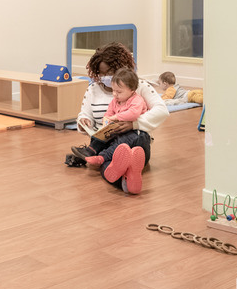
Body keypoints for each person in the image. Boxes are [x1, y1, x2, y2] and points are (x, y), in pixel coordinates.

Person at [69, 42, 168, 194]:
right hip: (107, 143)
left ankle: (121, 163)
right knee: (110, 161)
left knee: (137, 139)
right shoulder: (93, 89)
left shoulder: (139, 86)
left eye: (109, 72)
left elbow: (162, 110)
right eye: (101, 73)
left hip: (136, 141)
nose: (105, 77)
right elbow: (85, 113)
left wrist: (134, 124)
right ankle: (126, 182)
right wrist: (84, 122)